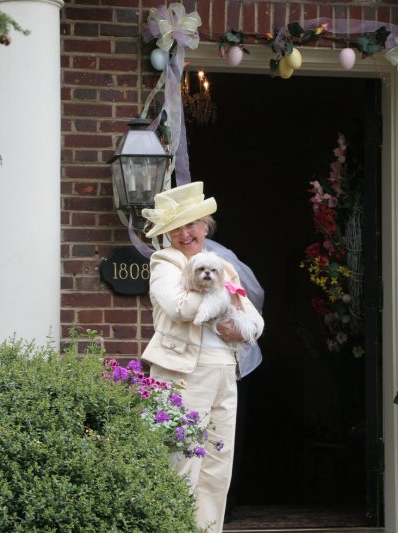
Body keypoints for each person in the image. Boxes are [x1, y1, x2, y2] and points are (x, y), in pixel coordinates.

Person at [140, 181, 264, 533]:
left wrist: (239, 329)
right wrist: (213, 288)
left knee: (217, 467)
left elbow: (255, 321)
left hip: (225, 369)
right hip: (183, 372)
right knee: (181, 461)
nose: (185, 234)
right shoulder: (165, 263)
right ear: (167, 234)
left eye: (192, 224)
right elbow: (178, 307)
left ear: (205, 226)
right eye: (176, 227)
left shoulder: (223, 266)